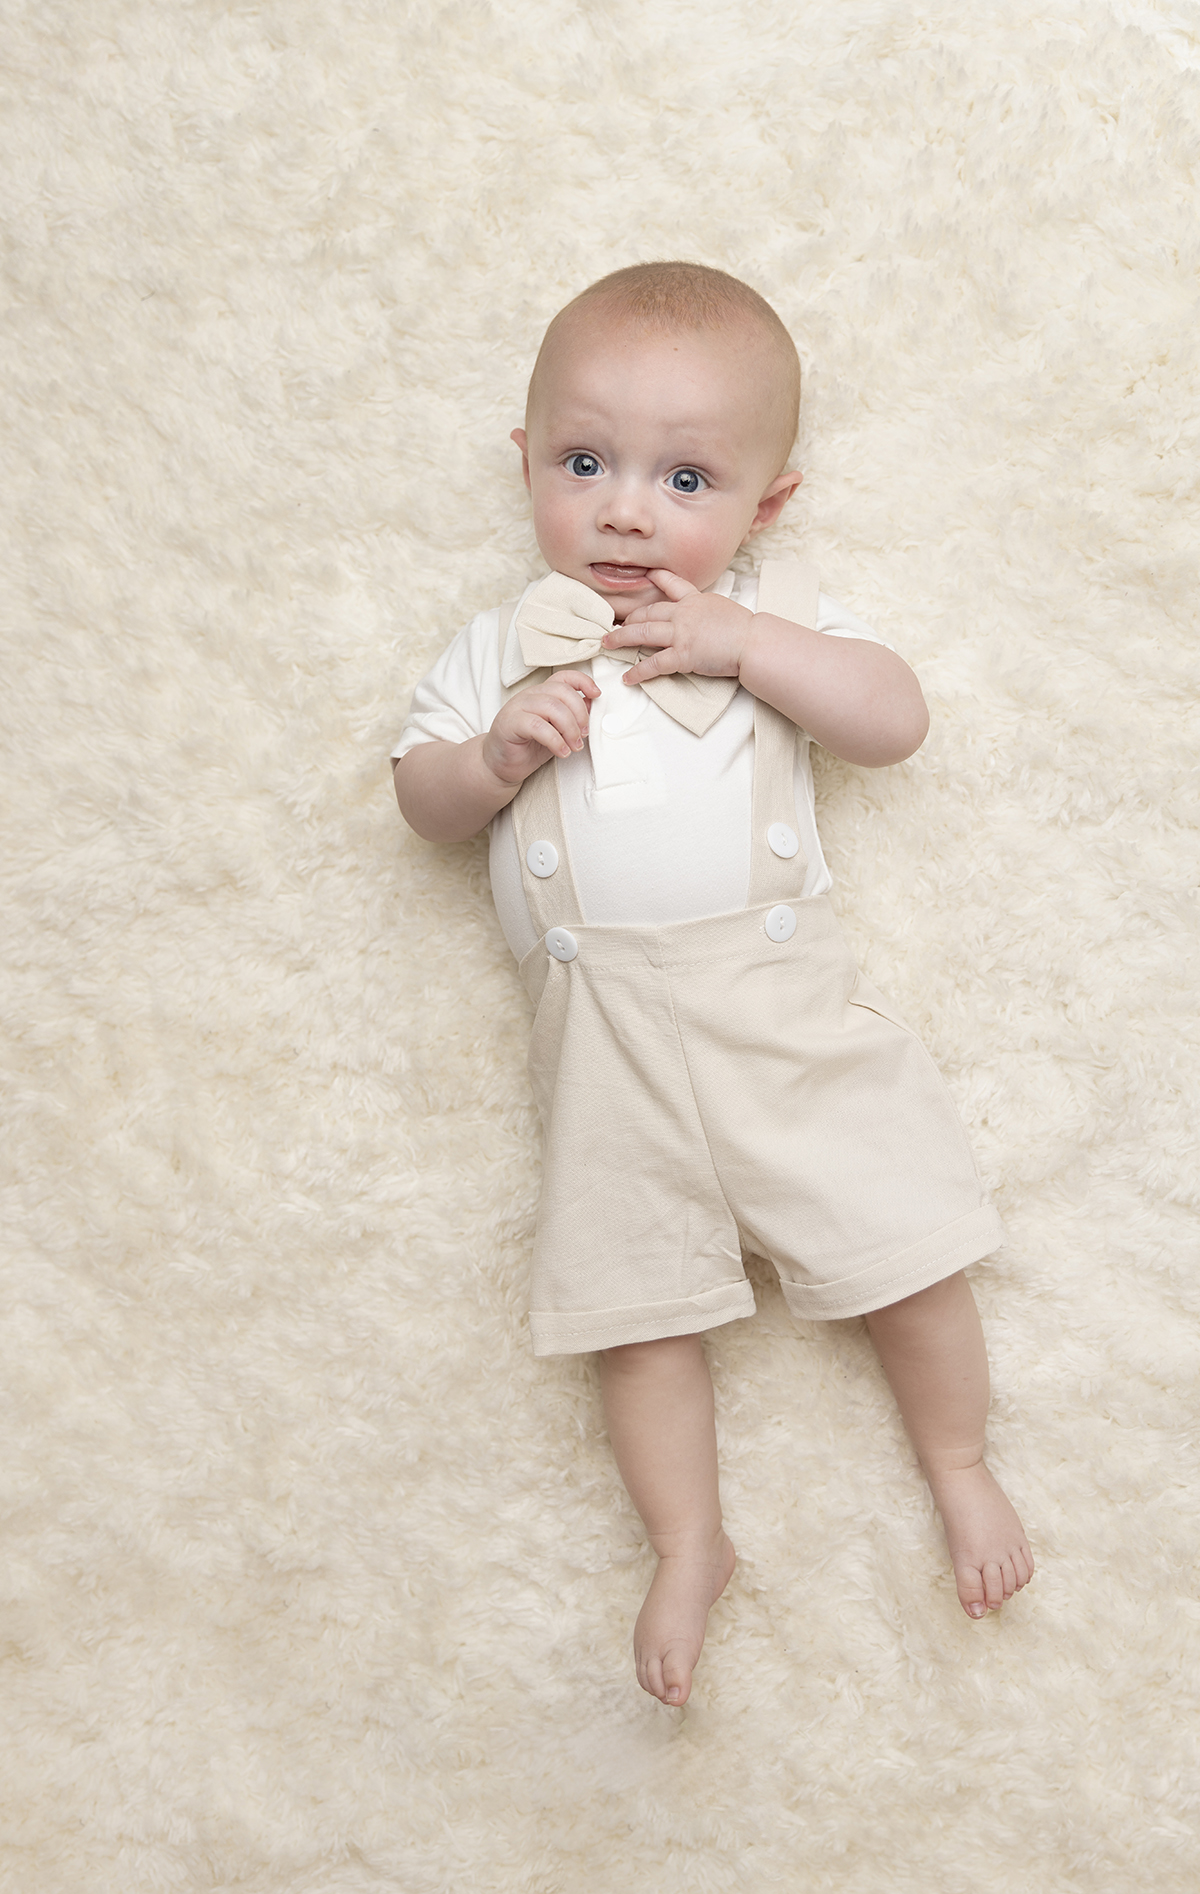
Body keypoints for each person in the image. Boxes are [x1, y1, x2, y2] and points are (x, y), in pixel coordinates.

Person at [392, 261, 1033, 1708]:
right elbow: (419, 803)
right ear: (525, 460)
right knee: (635, 1311)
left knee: (904, 1245)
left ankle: (958, 1461)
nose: (626, 511)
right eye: (584, 462)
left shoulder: (771, 613)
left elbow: (893, 719)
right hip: (602, 1044)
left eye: (685, 478)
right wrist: (489, 757)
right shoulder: (495, 651)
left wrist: (747, 645)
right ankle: (689, 1543)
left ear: (767, 504)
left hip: (777, 1010)